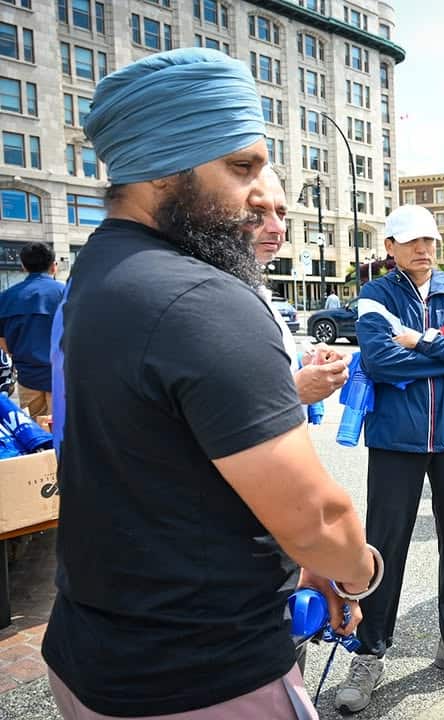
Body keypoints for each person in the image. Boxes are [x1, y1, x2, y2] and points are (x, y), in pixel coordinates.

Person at [42, 48, 377, 719]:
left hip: (94, 655)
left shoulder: (100, 273)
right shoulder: (200, 299)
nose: (263, 193)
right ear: (165, 168)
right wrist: (354, 570)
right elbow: (317, 516)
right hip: (202, 677)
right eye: (242, 166)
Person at [335, 204, 444, 713]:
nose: (423, 248)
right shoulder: (374, 295)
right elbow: (379, 360)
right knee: (383, 547)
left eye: (429, 239)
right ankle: (369, 651)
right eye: (410, 241)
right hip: (395, 440)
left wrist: (425, 341)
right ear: (390, 247)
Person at [248, 166, 349, 404]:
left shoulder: (253, 291)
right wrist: (293, 391)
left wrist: (304, 362)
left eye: (281, 214)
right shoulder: (202, 296)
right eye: (257, 213)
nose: (279, 228)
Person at [0, 242, 65, 417]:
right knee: (63, 432)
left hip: (28, 377)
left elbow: (2, 341)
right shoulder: (66, 293)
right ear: (54, 266)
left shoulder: (6, 297)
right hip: (61, 377)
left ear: (23, 266)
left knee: (35, 433)